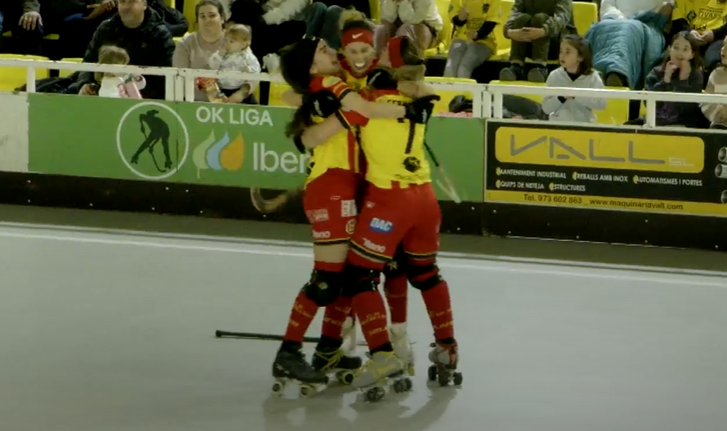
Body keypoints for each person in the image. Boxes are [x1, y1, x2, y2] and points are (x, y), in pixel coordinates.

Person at [270, 36, 434, 394]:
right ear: (314, 64)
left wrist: (418, 93)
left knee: (346, 277)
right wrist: (409, 111)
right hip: (332, 185)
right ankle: (289, 350)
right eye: (325, 51)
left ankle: (329, 348)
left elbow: (416, 84)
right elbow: (349, 108)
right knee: (328, 279)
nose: (336, 53)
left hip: (353, 184)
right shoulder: (333, 81)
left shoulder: (344, 75)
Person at [70, 0, 175, 100]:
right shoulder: (105, 29)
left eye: (132, 1)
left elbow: (165, 77)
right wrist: (85, 84)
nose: (125, 7)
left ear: (144, 4)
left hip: (141, 99)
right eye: (122, 1)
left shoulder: (161, 34)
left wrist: (129, 93)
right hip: (103, 94)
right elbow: (88, 63)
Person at [584, 0, 669, 89]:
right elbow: (607, 6)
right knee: (600, 27)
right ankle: (593, 76)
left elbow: (666, 7)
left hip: (647, 24)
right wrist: (621, 18)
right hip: (614, 20)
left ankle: (618, 75)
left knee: (628, 29)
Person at [499, 0, 577, 82]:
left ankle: (540, 66)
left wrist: (544, 31)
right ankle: (516, 66)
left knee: (540, 18)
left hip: (558, 45)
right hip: (530, 42)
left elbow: (561, 18)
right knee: (521, 18)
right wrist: (508, 31)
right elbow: (514, 13)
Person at [642, 31, 704, 127]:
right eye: (676, 47)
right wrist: (665, 80)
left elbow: (689, 109)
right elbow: (649, 103)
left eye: (685, 49)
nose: (680, 53)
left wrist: (683, 81)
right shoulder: (656, 72)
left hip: (683, 127)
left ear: (692, 54)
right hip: (655, 125)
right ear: (669, 49)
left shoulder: (696, 76)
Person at [542, 35, 605, 123]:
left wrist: (577, 95)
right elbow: (546, 108)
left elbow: (601, 104)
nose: (562, 56)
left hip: (584, 126)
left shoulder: (593, 77)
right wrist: (561, 97)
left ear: (580, 57)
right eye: (561, 51)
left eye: (568, 52)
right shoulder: (554, 75)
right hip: (558, 126)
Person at [173, 0, 225, 102]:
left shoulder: (236, 39)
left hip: (233, 100)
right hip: (195, 102)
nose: (207, 20)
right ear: (197, 20)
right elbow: (181, 79)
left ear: (222, 18)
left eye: (212, 15)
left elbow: (250, 69)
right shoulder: (185, 44)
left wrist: (239, 94)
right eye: (202, 16)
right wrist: (213, 92)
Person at [669, 0, 727, 78]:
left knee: (713, 61)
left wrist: (714, 34)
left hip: (717, 38)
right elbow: (677, 21)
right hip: (687, 36)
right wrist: (690, 32)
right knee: (665, 59)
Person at [204, 23, 260, 104]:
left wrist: (249, 69)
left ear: (243, 44)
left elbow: (256, 68)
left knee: (251, 105)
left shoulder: (247, 56)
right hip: (222, 88)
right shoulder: (221, 54)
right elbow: (211, 66)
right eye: (226, 40)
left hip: (239, 88)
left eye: (231, 41)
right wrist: (219, 55)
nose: (227, 43)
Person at [444, 0, 501, 78]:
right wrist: (460, 19)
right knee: (449, 69)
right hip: (460, 39)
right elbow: (455, 20)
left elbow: (491, 22)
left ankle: (464, 90)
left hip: (484, 42)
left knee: (463, 69)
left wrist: (478, 34)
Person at [375, 0, 443, 54]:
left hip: (425, 27)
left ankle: (403, 66)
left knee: (405, 31)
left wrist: (403, 1)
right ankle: (379, 65)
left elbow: (412, 20)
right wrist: (391, 1)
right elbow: (387, 18)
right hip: (398, 26)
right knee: (382, 30)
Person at [701, 35, 727, 129]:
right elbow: (705, 104)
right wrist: (718, 113)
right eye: (723, 45)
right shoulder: (715, 74)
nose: (723, 49)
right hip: (717, 126)